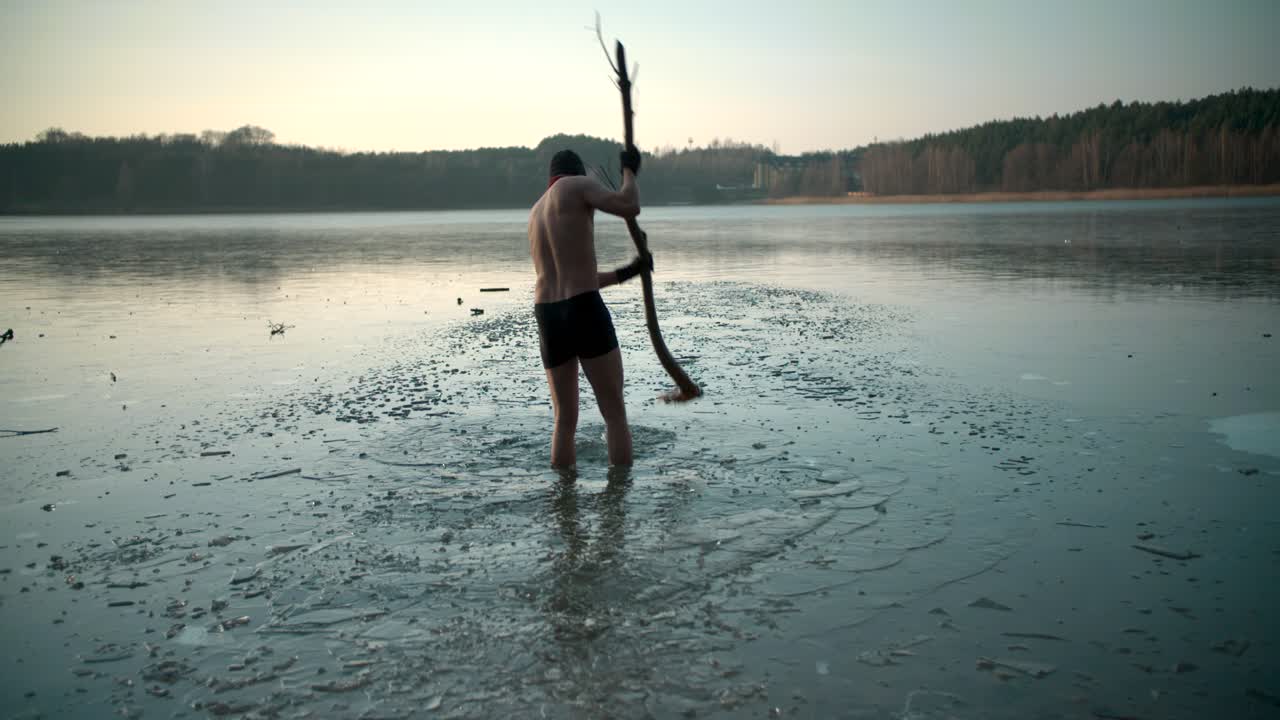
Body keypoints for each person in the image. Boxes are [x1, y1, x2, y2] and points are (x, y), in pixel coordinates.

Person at [528, 147, 650, 468]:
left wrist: (628, 271)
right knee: (614, 412)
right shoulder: (577, 186)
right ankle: (618, 504)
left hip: (548, 315)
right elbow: (629, 205)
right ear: (578, 173)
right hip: (583, 308)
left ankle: (564, 507)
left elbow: (575, 277)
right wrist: (629, 172)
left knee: (564, 420)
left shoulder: (536, 212)